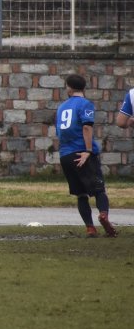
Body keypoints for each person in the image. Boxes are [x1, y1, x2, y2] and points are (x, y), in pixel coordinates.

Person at [54, 74, 118, 238]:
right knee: (98, 190)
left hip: (65, 155)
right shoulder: (85, 104)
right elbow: (87, 127)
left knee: (81, 194)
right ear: (83, 87)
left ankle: (90, 228)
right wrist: (88, 150)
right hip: (82, 152)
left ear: (69, 87)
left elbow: (60, 132)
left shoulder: (61, 108)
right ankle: (103, 214)